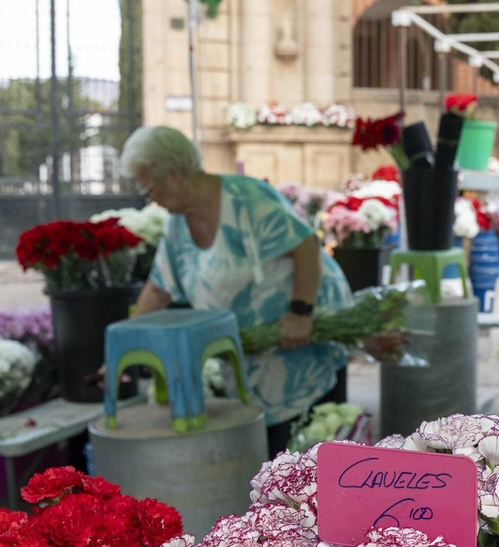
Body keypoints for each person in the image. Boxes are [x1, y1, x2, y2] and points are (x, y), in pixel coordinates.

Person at [122, 125, 353, 456]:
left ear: (173, 174)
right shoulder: (177, 223)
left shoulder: (247, 199)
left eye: (149, 186)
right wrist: (125, 346)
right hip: (254, 360)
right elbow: (159, 289)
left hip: (302, 345)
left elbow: (305, 246)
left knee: (307, 464)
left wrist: (300, 313)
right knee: (268, 464)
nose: (151, 198)